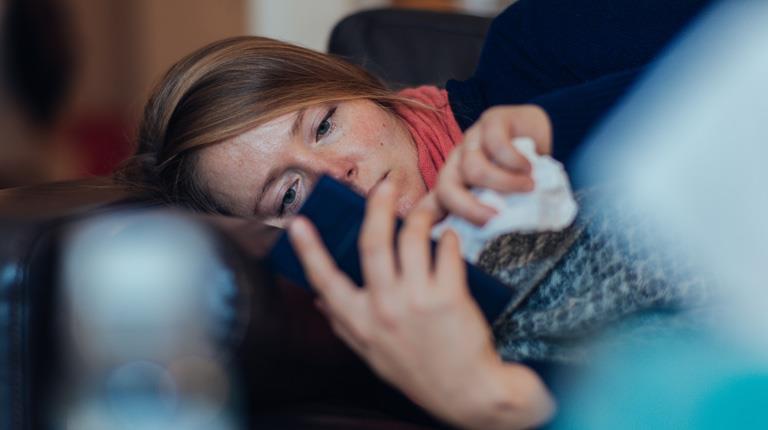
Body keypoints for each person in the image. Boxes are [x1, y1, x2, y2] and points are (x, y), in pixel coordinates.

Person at [121, 0, 715, 428]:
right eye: (290, 194)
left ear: (368, 89)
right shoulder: (416, 328)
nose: (337, 174)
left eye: (325, 125)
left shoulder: (532, 48)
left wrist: (553, 128)